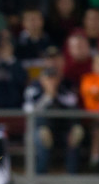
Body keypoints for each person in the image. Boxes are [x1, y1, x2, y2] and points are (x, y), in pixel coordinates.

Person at [23, 46, 81, 174]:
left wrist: (54, 91)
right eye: (50, 59)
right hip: (40, 127)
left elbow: (72, 105)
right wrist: (48, 96)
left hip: (63, 127)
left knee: (77, 132)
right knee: (43, 135)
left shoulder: (67, 84)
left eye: (56, 59)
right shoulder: (35, 85)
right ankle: (40, 176)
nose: (53, 63)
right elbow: (29, 111)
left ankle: (73, 177)